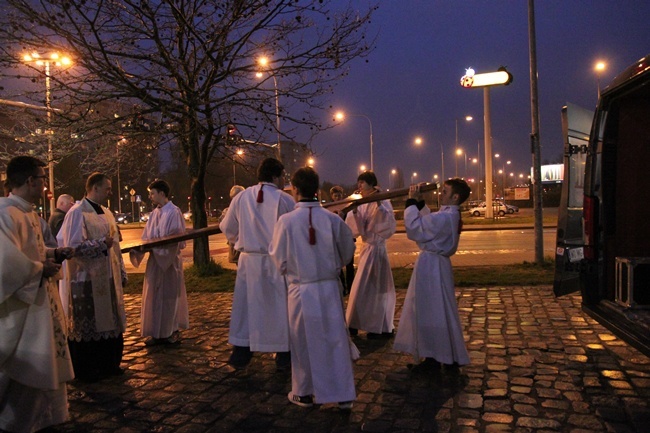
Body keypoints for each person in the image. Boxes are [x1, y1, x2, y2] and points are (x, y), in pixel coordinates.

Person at [269, 167, 357, 409]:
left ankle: (304, 392)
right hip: (329, 288)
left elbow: (278, 258)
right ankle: (343, 394)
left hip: (300, 290)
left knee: (302, 342)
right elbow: (347, 252)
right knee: (335, 339)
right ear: (317, 190)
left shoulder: (285, 221)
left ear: (294, 190)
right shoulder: (333, 219)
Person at [0, 155, 75, 433]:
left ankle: (39, 420)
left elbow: (30, 251)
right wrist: (38, 269)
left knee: (43, 366)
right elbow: (4, 263)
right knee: (22, 373)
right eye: (43, 179)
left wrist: (53, 253)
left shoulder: (28, 213)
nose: (45, 185)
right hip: (21, 310)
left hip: (38, 303)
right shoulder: (5, 213)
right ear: (31, 181)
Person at [219, 158, 295, 370]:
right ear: (275, 176)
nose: (284, 181)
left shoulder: (241, 198)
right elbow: (293, 229)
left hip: (248, 262)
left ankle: (242, 352)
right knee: (278, 308)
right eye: (282, 177)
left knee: (247, 307)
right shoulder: (285, 200)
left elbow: (228, 228)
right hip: (275, 261)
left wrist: (241, 241)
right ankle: (283, 353)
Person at [393, 178, 472, 372]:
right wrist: (420, 204)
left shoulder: (446, 217)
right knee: (440, 310)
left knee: (430, 310)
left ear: (455, 197)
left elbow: (415, 228)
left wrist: (411, 203)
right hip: (436, 266)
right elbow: (431, 220)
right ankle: (446, 355)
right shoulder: (448, 214)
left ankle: (434, 357)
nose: (441, 194)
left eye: (445, 192)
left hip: (432, 267)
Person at [57, 172, 127, 382]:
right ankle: (87, 368)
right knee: (89, 323)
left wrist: (121, 271)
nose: (110, 191)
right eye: (107, 187)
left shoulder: (107, 212)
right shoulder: (77, 212)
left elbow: (115, 245)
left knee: (109, 322)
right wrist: (100, 245)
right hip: (86, 279)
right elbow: (73, 245)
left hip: (108, 277)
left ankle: (109, 363)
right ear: (94, 188)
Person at [130, 179, 189, 346]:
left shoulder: (174, 212)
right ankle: (156, 332)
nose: (150, 197)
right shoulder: (155, 213)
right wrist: (141, 248)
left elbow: (175, 240)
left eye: (152, 193)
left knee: (169, 297)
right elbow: (147, 236)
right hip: (156, 263)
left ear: (162, 193)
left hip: (169, 264)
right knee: (155, 297)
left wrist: (155, 248)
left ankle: (170, 331)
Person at [345, 170, 397, 339]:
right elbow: (358, 228)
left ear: (371, 183)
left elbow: (386, 224)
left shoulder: (381, 200)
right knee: (361, 287)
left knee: (377, 290)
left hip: (377, 250)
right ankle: (355, 322)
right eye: (358, 182)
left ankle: (379, 325)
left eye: (362, 182)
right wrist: (353, 212)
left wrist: (380, 206)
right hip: (367, 249)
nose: (359, 185)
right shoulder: (361, 201)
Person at [329, 185, 355, 295]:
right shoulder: (330, 209)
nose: (338, 197)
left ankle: (351, 286)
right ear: (332, 197)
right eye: (335, 195)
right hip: (336, 239)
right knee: (338, 264)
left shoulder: (347, 206)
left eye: (339, 195)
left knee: (350, 264)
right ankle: (342, 288)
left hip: (347, 237)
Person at [219, 185, 246, 264]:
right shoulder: (243, 208)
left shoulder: (228, 211)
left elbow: (224, 225)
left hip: (236, 244)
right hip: (240, 245)